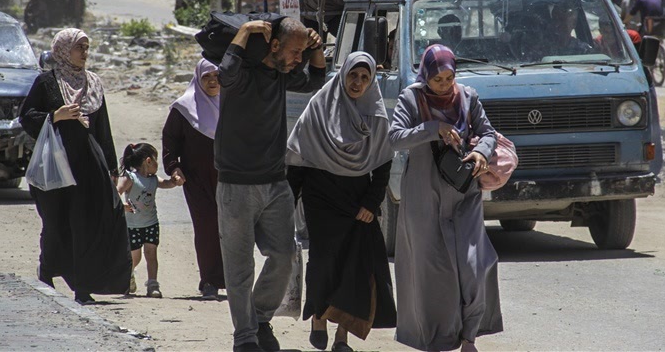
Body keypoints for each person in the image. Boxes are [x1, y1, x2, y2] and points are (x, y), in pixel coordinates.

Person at [215, 18, 327, 352]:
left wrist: (317, 47)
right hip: (236, 184)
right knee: (239, 269)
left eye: (302, 53)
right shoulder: (242, 74)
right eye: (295, 51)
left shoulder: (281, 75)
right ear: (274, 46)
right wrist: (246, 31)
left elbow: (316, 81)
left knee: (284, 256)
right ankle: (245, 337)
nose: (299, 59)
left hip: (275, 183)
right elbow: (224, 74)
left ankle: (260, 319)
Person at [388, 44, 503, 352]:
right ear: (426, 75)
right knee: (435, 272)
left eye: (448, 78)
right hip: (424, 195)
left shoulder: (468, 97)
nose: (444, 85)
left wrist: (481, 152)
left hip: (464, 192)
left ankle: (469, 337)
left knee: (475, 265)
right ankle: (438, 339)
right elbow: (394, 138)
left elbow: (488, 133)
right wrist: (433, 128)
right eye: (437, 79)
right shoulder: (411, 98)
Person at [286, 52, 397, 352]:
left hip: (357, 200)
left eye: (364, 77)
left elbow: (383, 163)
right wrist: (286, 204)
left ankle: (342, 337)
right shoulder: (319, 107)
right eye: (353, 75)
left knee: (356, 268)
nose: (357, 83)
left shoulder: (375, 116)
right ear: (343, 74)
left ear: (372, 80)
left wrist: (372, 204)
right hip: (320, 196)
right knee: (323, 261)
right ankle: (319, 318)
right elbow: (298, 159)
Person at [19, 28, 132, 305]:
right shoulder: (46, 82)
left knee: (87, 225)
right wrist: (54, 116)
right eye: (79, 47)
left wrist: (112, 169)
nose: (85, 53)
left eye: (87, 47)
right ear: (63, 50)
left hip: (88, 166)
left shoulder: (93, 83)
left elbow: (102, 128)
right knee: (56, 223)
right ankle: (46, 273)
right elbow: (26, 116)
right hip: (56, 166)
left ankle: (83, 288)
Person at [162, 59, 226, 300]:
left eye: (217, 76)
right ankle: (210, 280)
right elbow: (170, 139)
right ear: (198, 79)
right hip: (197, 180)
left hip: (229, 179)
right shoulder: (183, 109)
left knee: (230, 228)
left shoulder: (231, 105)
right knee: (207, 226)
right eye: (206, 77)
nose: (212, 81)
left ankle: (230, 278)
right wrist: (174, 168)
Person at [117, 143, 183, 298]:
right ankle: (127, 278)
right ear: (148, 161)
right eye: (156, 160)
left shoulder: (153, 179)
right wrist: (123, 205)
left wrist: (174, 181)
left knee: (151, 253)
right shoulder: (130, 178)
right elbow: (116, 192)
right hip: (133, 225)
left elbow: (166, 184)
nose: (157, 164)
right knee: (135, 256)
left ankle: (153, 284)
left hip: (151, 223)